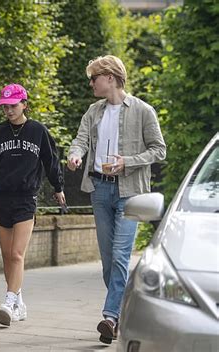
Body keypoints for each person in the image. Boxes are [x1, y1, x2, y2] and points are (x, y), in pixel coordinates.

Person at [67, 55, 166, 344]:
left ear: (110, 78)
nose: (91, 83)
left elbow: (159, 150)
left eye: (94, 78)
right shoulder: (93, 111)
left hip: (130, 193)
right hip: (100, 190)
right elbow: (81, 138)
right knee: (109, 261)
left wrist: (128, 162)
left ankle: (110, 317)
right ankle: (124, 314)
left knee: (121, 256)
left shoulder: (143, 111)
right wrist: (76, 154)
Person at [0, 83, 66, 326]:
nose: (9, 111)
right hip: (1, 197)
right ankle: (18, 303)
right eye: (5, 107)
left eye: (13, 106)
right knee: (6, 255)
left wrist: (59, 187)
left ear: (24, 104)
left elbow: (51, 160)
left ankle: (8, 300)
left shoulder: (38, 131)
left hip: (26, 198)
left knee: (16, 253)